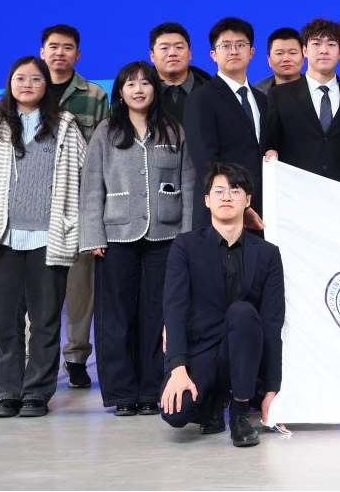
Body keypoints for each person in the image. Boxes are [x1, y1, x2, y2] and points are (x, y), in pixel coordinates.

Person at [0, 57, 86, 418]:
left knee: (45, 320)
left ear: (46, 85)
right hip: (2, 238)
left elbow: (83, 172)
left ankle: (36, 392)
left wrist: (69, 214)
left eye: (35, 79)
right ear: (10, 83)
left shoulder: (65, 125)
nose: (27, 85)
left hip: (50, 237)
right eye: (20, 78)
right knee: (5, 320)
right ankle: (8, 391)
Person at [79, 62, 195, 417]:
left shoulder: (173, 129)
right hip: (116, 235)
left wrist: (187, 236)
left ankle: (151, 390)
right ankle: (121, 393)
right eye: (131, 84)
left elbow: (188, 183)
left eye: (145, 83)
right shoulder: (106, 131)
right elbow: (91, 185)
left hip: (166, 234)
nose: (139, 89)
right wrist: (93, 234)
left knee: (156, 315)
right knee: (116, 317)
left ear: (155, 89)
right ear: (120, 92)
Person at [160, 162, 284, 448]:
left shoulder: (267, 254)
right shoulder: (185, 246)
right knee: (176, 414)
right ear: (206, 200)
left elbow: (272, 323)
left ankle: (239, 413)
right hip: (201, 350)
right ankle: (213, 402)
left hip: (244, 353)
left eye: (235, 190)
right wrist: (177, 368)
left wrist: (273, 388)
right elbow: (174, 309)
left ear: (248, 200)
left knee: (243, 311)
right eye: (219, 191)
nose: (226, 197)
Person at [39, 24, 108, 390]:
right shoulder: (28, 89)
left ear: (77, 54)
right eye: (53, 47)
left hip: (79, 203)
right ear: (42, 52)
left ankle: (77, 357)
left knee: (81, 288)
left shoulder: (94, 95)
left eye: (67, 48)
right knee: (37, 287)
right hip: (36, 206)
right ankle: (39, 357)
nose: (60, 53)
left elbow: (102, 152)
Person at [184, 18, 268, 229]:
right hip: (220, 213)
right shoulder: (201, 98)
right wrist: (241, 207)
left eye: (240, 45)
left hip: (260, 213)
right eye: (226, 46)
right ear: (213, 54)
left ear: (252, 52)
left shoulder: (262, 99)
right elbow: (206, 162)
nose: (234, 51)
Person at [264, 18, 340, 184]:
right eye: (316, 44)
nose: (324, 50)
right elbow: (270, 145)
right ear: (305, 51)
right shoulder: (279, 95)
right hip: (295, 190)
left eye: (331, 44)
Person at [149, 22, 212, 125]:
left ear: (190, 53)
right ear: (152, 56)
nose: (172, 53)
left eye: (179, 47)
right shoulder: (141, 92)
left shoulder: (211, 90)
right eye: (164, 48)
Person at [253, 27, 303, 94]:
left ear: (303, 57)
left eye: (292, 53)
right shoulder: (257, 93)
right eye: (279, 53)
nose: (286, 59)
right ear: (269, 60)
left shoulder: (315, 89)